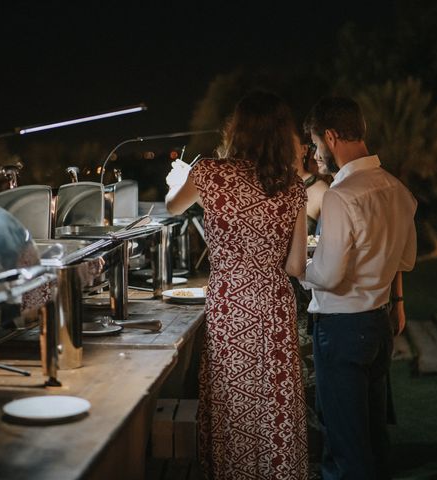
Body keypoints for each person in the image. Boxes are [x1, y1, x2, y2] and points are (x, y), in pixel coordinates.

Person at [165, 90, 309, 479]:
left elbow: (171, 207)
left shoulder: (210, 173)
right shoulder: (294, 187)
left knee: (234, 406)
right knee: (273, 404)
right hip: (275, 304)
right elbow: (296, 266)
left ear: (237, 129)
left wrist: (177, 178)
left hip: (230, 304)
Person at [303, 96, 417, 480]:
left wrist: (300, 267)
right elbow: (406, 260)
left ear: (332, 137)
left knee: (344, 449)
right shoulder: (399, 191)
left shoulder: (340, 195)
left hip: (340, 330)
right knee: (372, 440)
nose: (318, 153)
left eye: (318, 144)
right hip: (378, 325)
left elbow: (330, 276)